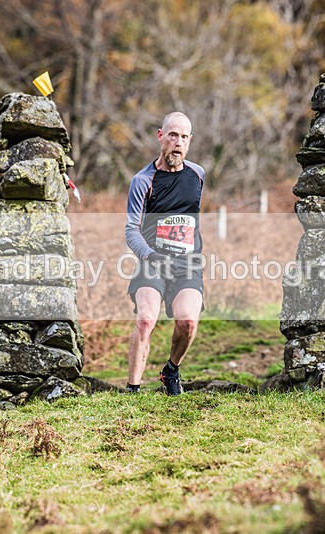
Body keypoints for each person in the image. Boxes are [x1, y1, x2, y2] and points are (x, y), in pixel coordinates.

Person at [124, 111, 206, 395]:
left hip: (187, 265)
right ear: (161, 137)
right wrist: (149, 255)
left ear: (190, 141)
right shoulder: (142, 181)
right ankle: (133, 390)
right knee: (146, 319)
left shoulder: (198, 175)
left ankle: (171, 371)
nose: (178, 142)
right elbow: (131, 230)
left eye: (184, 137)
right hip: (152, 262)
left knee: (188, 323)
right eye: (173, 135)